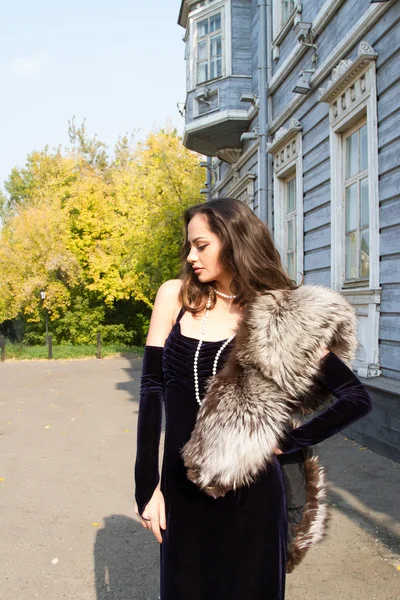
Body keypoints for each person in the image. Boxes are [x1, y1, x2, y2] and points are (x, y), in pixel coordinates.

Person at [134, 198, 373, 600]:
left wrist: (290, 442)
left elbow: (355, 397)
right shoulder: (174, 296)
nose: (191, 256)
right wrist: (146, 487)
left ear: (234, 241)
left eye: (202, 245)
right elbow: (151, 388)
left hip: (252, 493)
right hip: (180, 490)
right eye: (188, 246)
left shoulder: (278, 315)